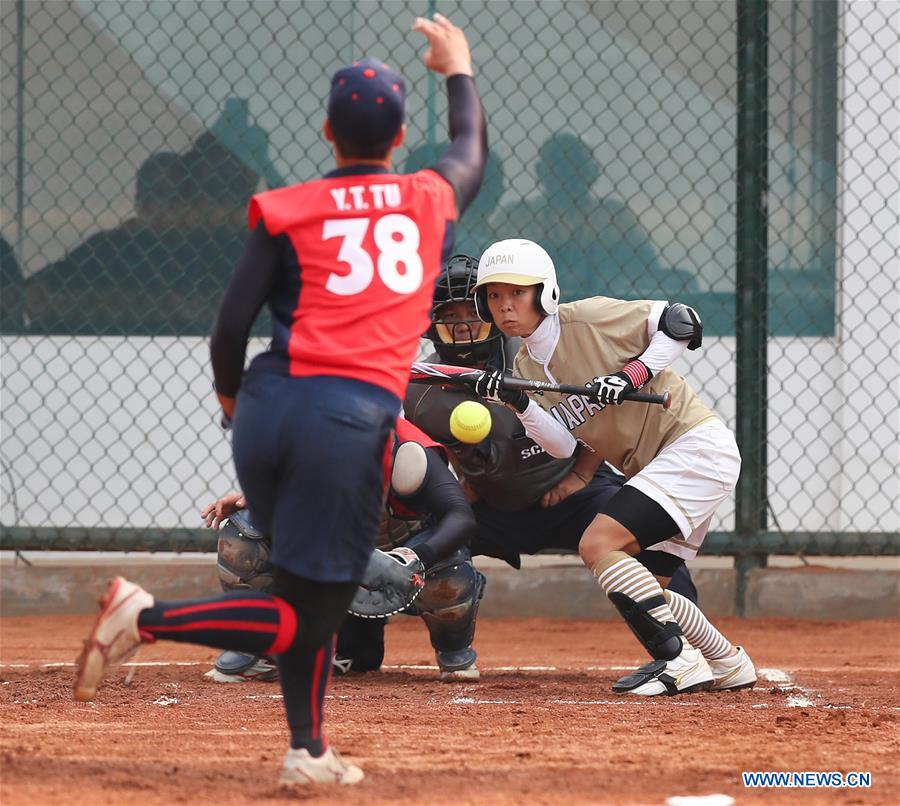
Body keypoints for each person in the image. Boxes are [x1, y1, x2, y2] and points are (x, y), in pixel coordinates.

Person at [73, 13, 486, 788]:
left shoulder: (287, 208)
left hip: (268, 408)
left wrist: (234, 405)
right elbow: (469, 148)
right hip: (345, 421)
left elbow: (230, 327)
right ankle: (145, 618)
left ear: (328, 132)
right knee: (308, 614)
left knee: (302, 590)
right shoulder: (429, 197)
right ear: (400, 141)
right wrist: (458, 66)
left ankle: (307, 749)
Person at [470, 238, 756, 697]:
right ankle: (726, 660)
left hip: (694, 448)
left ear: (545, 294)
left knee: (598, 542)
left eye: (517, 293)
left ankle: (678, 659)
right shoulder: (525, 363)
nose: (505, 306)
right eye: (495, 295)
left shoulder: (588, 319)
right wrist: (518, 401)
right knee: (656, 589)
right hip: (664, 465)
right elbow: (563, 446)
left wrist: (630, 376)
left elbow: (680, 322)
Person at [404, 253, 698, 602]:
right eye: (449, 316)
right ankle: (361, 652)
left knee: (645, 536)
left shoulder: (532, 350)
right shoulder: (421, 389)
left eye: (471, 312)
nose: (463, 325)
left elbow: (595, 411)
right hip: (494, 506)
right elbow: (443, 446)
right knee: (412, 551)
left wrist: (582, 477)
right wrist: (463, 488)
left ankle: (682, 646)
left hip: (570, 489)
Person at [202, 416, 483, 684]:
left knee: (451, 566)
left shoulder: (408, 452)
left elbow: (460, 516)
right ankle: (257, 648)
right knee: (245, 531)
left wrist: (415, 557)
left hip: (405, 563)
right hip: (335, 562)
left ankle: (453, 651)